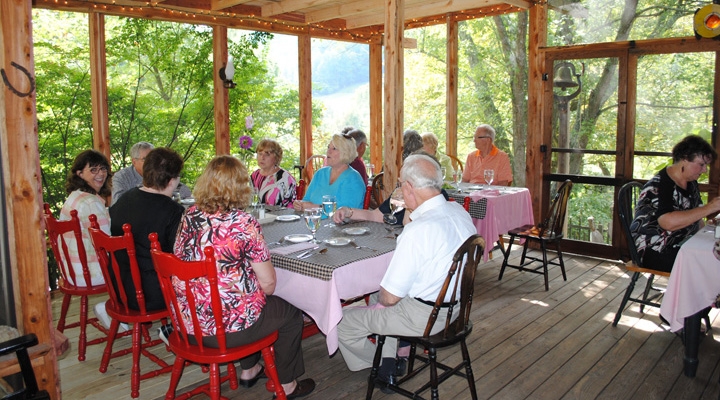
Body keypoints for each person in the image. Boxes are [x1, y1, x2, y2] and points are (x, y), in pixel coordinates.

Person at [174, 155, 315, 398]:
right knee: (289, 312)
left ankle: (249, 369)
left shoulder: (190, 216)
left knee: (247, 302)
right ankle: (288, 385)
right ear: (241, 187)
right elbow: (269, 285)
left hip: (188, 325)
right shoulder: (242, 222)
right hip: (225, 331)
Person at [336, 154, 476, 388]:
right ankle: (390, 360)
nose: (399, 189)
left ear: (409, 187)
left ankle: (381, 364)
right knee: (391, 303)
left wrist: (377, 297)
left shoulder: (418, 230)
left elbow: (389, 299)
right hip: (457, 310)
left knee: (342, 321)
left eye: (401, 184)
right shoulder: (459, 212)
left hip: (425, 318)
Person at [109, 147, 185, 313]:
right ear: (172, 181)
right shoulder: (172, 211)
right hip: (153, 293)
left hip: (119, 287)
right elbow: (178, 258)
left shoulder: (125, 199)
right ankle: (181, 328)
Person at [631, 135, 720, 273]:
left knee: (713, 254)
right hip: (654, 249)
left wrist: (707, 230)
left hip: (681, 243)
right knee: (710, 263)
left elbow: (696, 216)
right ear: (685, 158)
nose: (704, 170)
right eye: (701, 165)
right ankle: (692, 294)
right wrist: (710, 208)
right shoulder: (660, 185)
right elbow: (667, 222)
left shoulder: (691, 182)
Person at [333, 150, 450, 227]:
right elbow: (374, 215)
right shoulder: (399, 194)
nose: (399, 184)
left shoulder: (436, 199)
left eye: (403, 181)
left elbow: (410, 227)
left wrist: (408, 205)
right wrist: (348, 211)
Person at [60, 149, 112, 288]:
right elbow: (107, 243)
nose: (100, 173)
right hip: (91, 274)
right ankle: (115, 307)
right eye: (93, 170)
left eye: (103, 168)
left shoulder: (74, 196)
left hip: (70, 271)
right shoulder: (91, 202)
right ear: (80, 173)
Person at [293, 133, 365, 213]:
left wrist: (315, 207)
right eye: (328, 147)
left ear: (346, 153)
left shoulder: (353, 179)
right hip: (315, 221)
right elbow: (306, 200)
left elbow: (345, 212)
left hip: (342, 225)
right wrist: (299, 204)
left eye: (334, 149)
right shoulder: (320, 173)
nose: (328, 151)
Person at [111, 141, 191, 205]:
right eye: (145, 159)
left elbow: (184, 192)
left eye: (153, 159)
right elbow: (118, 202)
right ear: (134, 162)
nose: (151, 162)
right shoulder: (122, 177)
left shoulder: (160, 172)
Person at [250, 139, 297, 207]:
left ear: (276, 157)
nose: (262, 158)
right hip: (256, 216)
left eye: (267, 154)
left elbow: (291, 207)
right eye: (260, 154)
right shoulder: (254, 176)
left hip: (279, 216)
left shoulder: (286, 178)